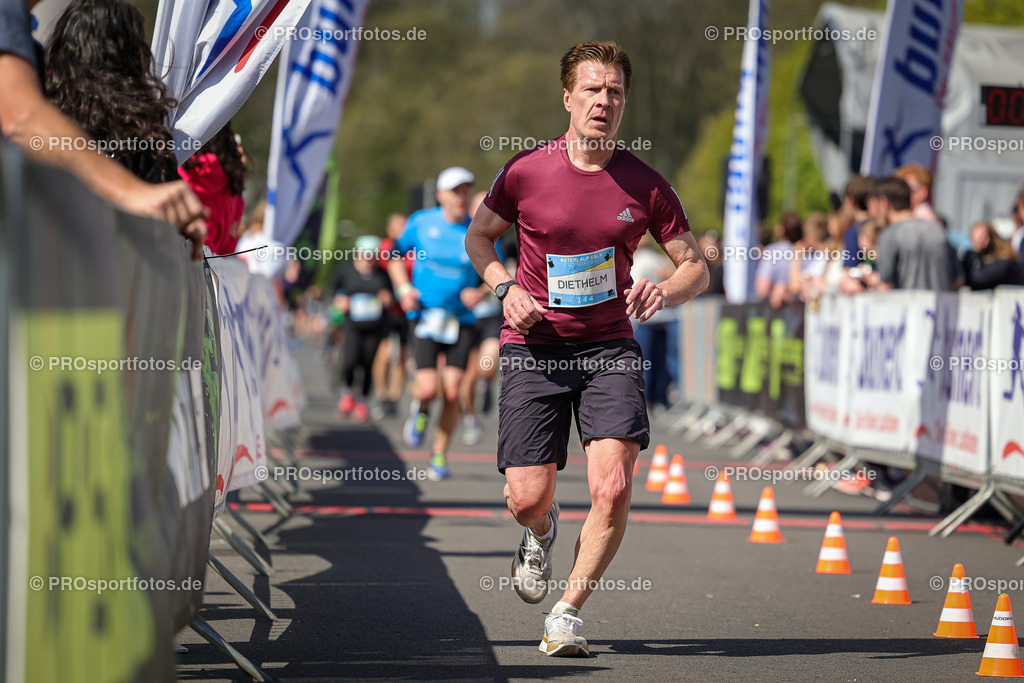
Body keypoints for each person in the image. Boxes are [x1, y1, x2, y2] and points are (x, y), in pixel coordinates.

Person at [465, 41, 709, 657]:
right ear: (568, 97)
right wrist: (502, 288)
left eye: (615, 92)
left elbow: (696, 266)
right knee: (526, 497)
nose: (604, 102)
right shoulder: (526, 170)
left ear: (625, 101)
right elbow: (479, 238)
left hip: (609, 349)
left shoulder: (647, 185)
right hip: (533, 346)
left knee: (614, 487)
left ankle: (567, 612)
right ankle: (541, 531)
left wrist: (668, 291)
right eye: (593, 90)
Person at [0, 0, 206, 257]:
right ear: (134, 57)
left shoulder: (43, 94)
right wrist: (133, 192)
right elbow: (21, 116)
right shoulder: (146, 138)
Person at [388, 166, 490, 480]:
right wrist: (404, 289)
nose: (460, 196)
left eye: (465, 190)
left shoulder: (477, 230)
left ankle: (439, 454)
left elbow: (495, 271)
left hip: (462, 320)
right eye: (454, 190)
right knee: (430, 388)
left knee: (453, 391)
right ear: (440, 195)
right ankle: (419, 411)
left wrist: (481, 291)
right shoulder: (421, 222)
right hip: (426, 317)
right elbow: (393, 255)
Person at [332, 236, 393, 421]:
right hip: (352, 325)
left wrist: (387, 299)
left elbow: (391, 298)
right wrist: (340, 301)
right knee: (350, 360)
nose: (368, 259)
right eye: (365, 255)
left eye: (372, 256)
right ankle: (348, 393)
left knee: (368, 364)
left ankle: (364, 401)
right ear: (358, 254)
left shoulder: (382, 274)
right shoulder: (347, 271)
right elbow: (335, 291)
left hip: (375, 326)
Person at [874, 177, 960, 292]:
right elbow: (959, 279)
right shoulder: (937, 230)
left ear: (884, 203)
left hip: (904, 307)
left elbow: (885, 286)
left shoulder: (889, 235)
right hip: (937, 308)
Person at [178, 121, 248, 255]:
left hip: (173, 257)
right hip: (208, 266)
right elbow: (228, 247)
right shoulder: (234, 188)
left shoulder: (180, 164)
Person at [372, 212, 410, 418]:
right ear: (390, 229)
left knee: (402, 356)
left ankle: (395, 397)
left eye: (404, 225)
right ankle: (382, 394)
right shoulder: (383, 248)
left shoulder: (413, 249)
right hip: (386, 310)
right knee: (384, 353)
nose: (401, 229)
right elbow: (374, 274)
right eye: (397, 226)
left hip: (406, 310)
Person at [754, 211, 802, 308]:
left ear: (782, 230)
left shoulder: (771, 252)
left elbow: (762, 289)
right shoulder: (807, 253)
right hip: (801, 311)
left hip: (774, 310)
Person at [963, 221, 1024, 290]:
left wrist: (976, 249)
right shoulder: (982, 260)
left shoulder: (1004, 261)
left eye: (980, 238)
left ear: (988, 238)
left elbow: (978, 280)